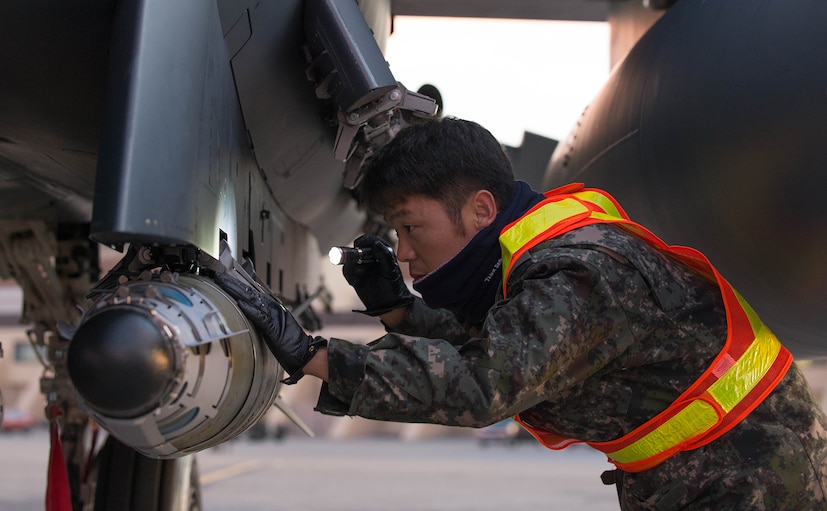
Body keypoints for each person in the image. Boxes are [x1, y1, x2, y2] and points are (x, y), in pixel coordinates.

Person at [216, 117, 827, 510]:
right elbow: (498, 339)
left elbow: (487, 382)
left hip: (751, 474)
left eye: (410, 227)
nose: (402, 250)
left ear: (481, 210)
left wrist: (311, 355)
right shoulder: (533, 261)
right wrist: (399, 311)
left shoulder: (584, 273)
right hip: (706, 468)